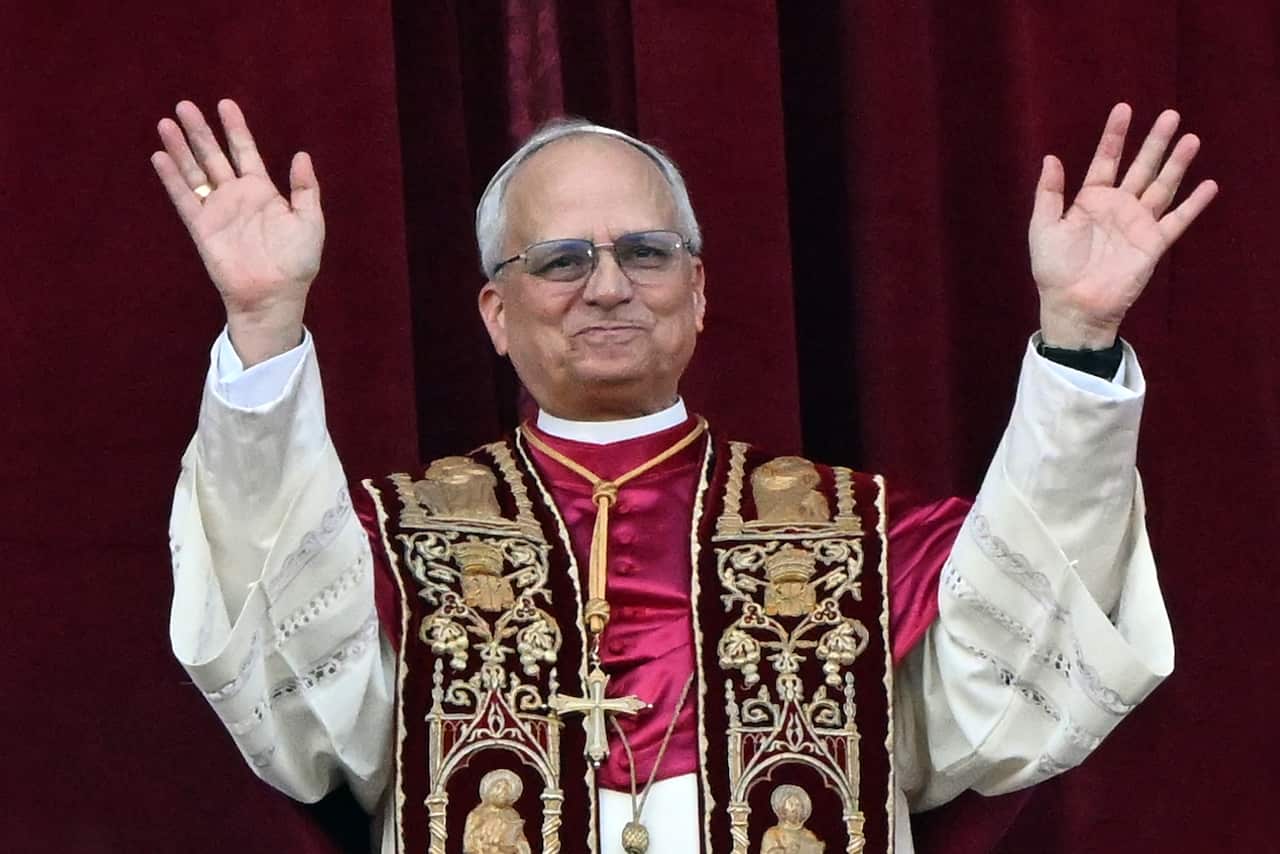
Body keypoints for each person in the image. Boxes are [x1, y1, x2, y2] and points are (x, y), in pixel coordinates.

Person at [154, 98, 1216, 853]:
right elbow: (294, 695)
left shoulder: (853, 540)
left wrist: (1077, 341)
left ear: (698, 292)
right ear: (495, 314)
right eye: (560, 260)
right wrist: (264, 326)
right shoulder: (398, 544)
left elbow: (1015, 672)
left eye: (646, 251)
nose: (608, 285)